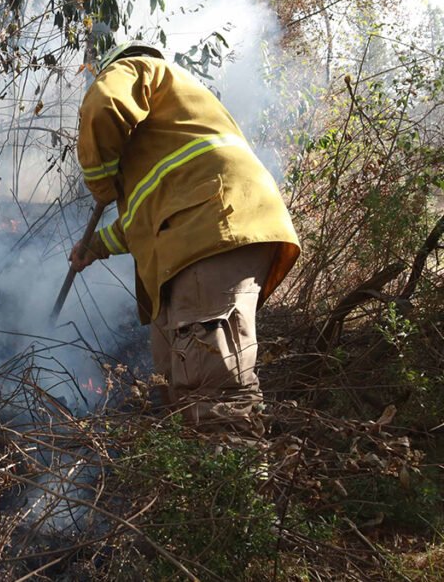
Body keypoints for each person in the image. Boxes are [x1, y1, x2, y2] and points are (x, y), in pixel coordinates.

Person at [69, 41, 300, 439]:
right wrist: (93, 247)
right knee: (178, 384)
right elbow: (147, 217)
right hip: (209, 226)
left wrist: (100, 180)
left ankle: (234, 495)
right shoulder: (172, 122)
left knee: (213, 395)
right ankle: (194, 491)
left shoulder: (138, 69)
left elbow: (103, 102)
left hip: (210, 231)